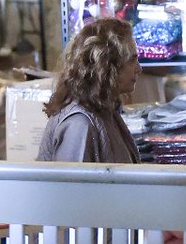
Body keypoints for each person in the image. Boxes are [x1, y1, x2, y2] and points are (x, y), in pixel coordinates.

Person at [37, 17, 141, 163]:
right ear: (107, 66)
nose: (138, 68)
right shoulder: (79, 124)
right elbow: (73, 184)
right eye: (132, 59)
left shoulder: (104, 109)